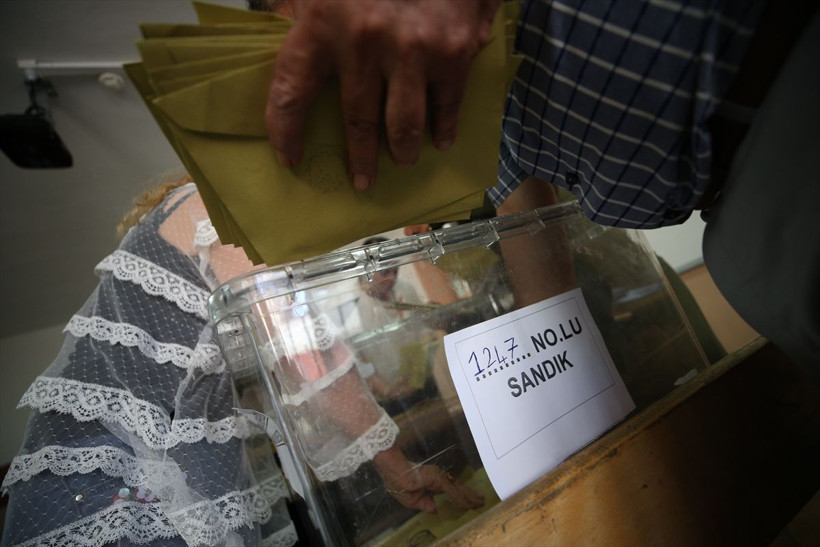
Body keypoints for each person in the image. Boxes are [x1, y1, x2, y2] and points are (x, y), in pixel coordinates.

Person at [265, 0, 820, 373]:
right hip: (736, 215)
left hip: (780, 77)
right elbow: (528, 236)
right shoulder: (457, 114)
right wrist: (548, 384)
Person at [1, 180, 483, 546]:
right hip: (106, 485)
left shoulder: (197, 227)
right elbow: (303, 354)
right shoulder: (218, 206)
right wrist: (397, 466)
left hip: (149, 474)